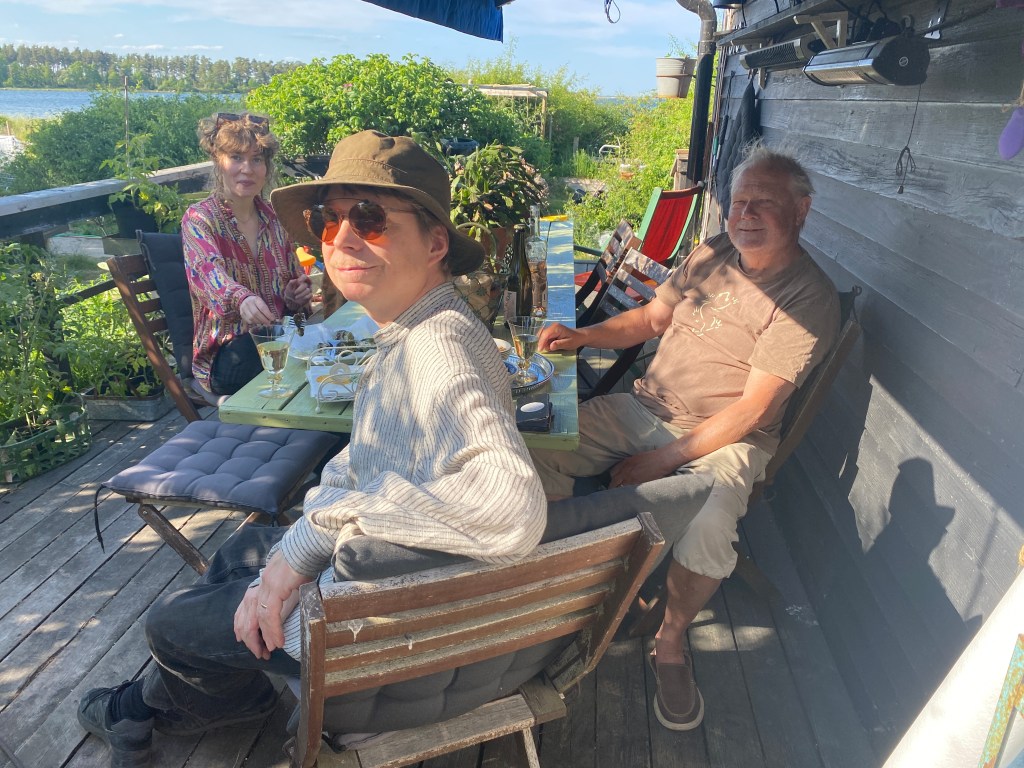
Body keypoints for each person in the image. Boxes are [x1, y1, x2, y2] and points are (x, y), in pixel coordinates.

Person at [78, 130, 547, 768]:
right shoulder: (416, 329)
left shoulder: (436, 349)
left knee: (170, 624)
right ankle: (212, 688)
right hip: (382, 581)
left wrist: (311, 541)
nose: (342, 238)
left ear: (436, 244)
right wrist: (296, 546)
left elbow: (510, 500)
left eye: (370, 218)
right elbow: (368, 453)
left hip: (370, 625)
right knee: (240, 552)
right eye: (329, 220)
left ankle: (142, 708)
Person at [530, 144, 840, 732]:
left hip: (727, 438)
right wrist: (581, 334)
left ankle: (670, 641)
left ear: (801, 210)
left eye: (764, 203)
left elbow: (754, 409)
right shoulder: (714, 252)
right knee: (535, 446)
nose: (745, 214)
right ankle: (576, 585)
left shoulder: (808, 297)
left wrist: (663, 459)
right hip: (645, 405)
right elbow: (651, 320)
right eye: (739, 201)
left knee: (709, 523)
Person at [183, 111, 313, 396]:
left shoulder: (275, 218)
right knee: (273, 354)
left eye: (257, 159)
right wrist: (241, 298)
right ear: (218, 161)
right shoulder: (200, 219)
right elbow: (206, 273)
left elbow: (294, 288)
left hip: (279, 340)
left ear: (267, 167)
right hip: (228, 355)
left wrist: (295, 294)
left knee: (318, 347)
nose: (248, 169)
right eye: (236, 157)